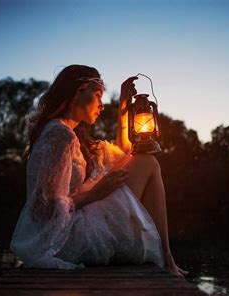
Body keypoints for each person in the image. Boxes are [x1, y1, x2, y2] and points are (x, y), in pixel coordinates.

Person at [10, 64, 186, 278]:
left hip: (68, 227)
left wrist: (124, 105)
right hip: (62, 239)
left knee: (145, 161)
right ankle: (166, 258)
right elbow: (43, 206)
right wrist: (96, 193)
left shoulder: (66, 133)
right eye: (98, 95)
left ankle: (166, 257)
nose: (101, 105)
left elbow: (124, 153)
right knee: (148, 162)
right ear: (79, 90)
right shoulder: (59, 135)